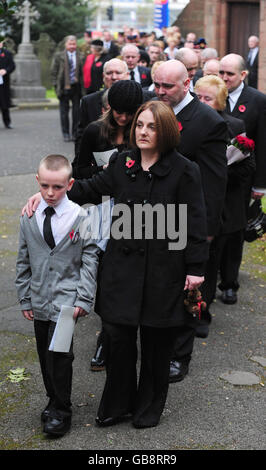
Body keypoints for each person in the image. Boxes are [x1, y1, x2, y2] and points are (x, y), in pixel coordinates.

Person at [22, 101, 208, 429]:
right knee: (117, 338)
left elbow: (194, 222)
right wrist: (52, 193)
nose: (143, 132)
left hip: (164, 271)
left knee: (156, 343)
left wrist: (195, 269)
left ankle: (148, 407)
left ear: (164, 131)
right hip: (121, 271)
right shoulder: (123, 162)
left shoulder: (184, 169)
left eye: (151, 126)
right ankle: (118, 404)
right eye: (139, 125)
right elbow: (90, 189)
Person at [153, 59, 228, 380]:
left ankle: (179, 356)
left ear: (187, 83)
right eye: (156, 84)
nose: (160, 91)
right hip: (150, 217)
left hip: (185, 220)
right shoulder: (152, 110)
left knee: (185, 289)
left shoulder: (207, 121)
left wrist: (207, 231)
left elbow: (214, 182)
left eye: (167, 86)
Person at [16, 154, 99, 437]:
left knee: (60, 355)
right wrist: (25, 297)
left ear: (70, 184)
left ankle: (62, 410)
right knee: (43, 354)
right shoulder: (29, 216)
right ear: (37, 182)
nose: (51, 193)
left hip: (66, 302)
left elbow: (90, 258)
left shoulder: (81, 216)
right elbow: (23, 259)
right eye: (45, 187)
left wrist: (83, 298)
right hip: (39, 298)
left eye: (58, 187)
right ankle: (53, 399)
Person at [73, 80, 144, 372]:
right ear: (108, 107)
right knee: (103, 272)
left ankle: (128, 333)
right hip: (100, 211)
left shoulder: (143, 133)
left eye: (129, 113)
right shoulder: (95, 131)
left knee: (128, 275)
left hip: (136, 214)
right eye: (118, 112)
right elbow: (77, 171)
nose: (123, 118)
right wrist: (102, 171)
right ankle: (106, 336)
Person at [194, 74, 255, 305]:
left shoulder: (234, 125)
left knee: (214, 256)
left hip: (223, 202)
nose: (201, 102)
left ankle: (205, 304)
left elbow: (248, 166)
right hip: (191, 200)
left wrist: (218, 172)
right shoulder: (185, 122)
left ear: (219, 101)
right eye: (197, 96)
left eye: (207, 98)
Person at [219, 53, 266, 303]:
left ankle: (229, 282)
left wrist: (260, 185)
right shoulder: (213, 95)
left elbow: (262, 143)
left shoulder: (258, 101)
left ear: (243, 75)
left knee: (235, 231)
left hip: (241, 179)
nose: (224, 78)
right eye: (221, 73)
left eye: (230, 74)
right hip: (215, 177)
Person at [74, 59, 129, 158]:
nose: (114, 77)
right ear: (103, 76)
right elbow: (81, 136)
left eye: (118, 73)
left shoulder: (139, 99)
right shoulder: (88, 102)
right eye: (109, 73)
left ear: (127, 75)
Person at [51, 35, 84, 142]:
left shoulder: (81, 55)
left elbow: (83, 73)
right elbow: (54, 72)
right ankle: (65, 133)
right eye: (70, 44)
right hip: (64, 87)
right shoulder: (58, 56)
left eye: (74, 44)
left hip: (76, 87)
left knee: (76, 112)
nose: (72, 46)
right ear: (65, 44)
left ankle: (75, 133)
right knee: (64, 112)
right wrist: (56, 87)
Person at [0, 40, 15, 129]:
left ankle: (7, 122)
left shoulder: (7, 53)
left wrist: (6, 70)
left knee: (4, 103)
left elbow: (12, 65)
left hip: (3, 83)